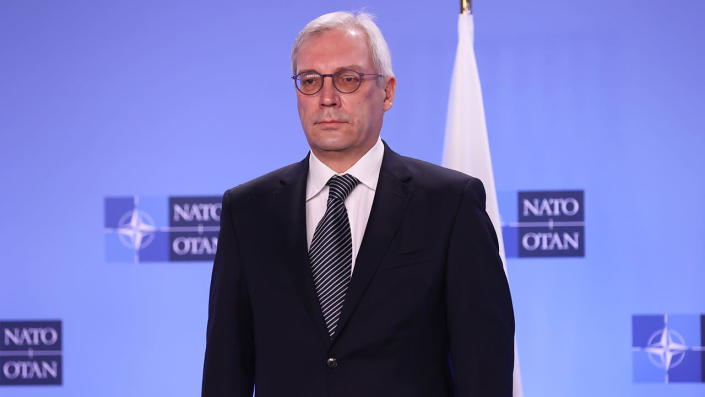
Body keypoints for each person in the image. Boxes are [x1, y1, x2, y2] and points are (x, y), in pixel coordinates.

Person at [202, 11, 514, 397]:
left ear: (387, 91)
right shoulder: (246, 211)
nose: (327, 98)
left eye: (348, 79)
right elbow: (225, 368)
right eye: (310, 81)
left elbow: (484, 367)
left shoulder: (450, 204)